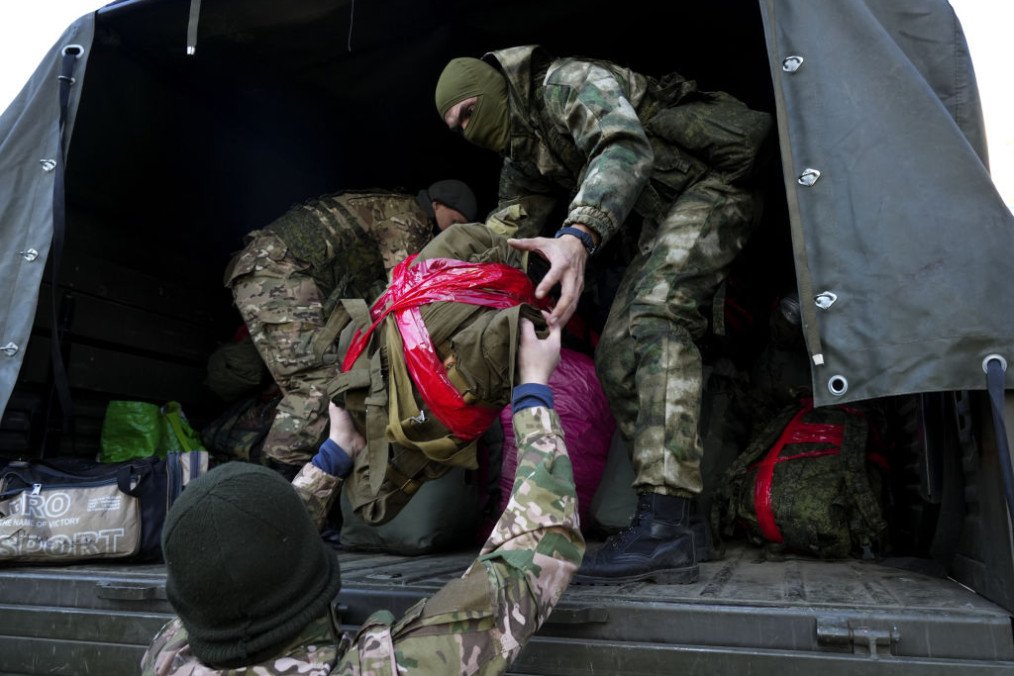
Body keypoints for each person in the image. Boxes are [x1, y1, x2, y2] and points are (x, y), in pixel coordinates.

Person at [435, 46, 771, 584]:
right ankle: (677, 522)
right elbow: (508, 226)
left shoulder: (567, 84)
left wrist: (577, 235)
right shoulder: (525, 154)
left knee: (655, 318)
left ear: (498, 89)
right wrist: (442, 283)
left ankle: (667, 524)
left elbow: (623, 148)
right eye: (456, 127)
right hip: (664, 213)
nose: (469, 129)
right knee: (618, 353)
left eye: (471, 111)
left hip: (715, 184)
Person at [141, 315, 584, 675]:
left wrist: (335, 457)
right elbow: (538, 552)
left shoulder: (168, 657)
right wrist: (533, 390)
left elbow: (230, 560)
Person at [224, 181, 478, 477]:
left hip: (276, 271)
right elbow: (406, 292)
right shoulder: (409, 216)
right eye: (455, 222)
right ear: (438, 206)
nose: (453, 231)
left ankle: (274, 473)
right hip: (278, 272)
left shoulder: (393, 207)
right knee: (317, 388)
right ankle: (278, 485)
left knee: (317, 383)